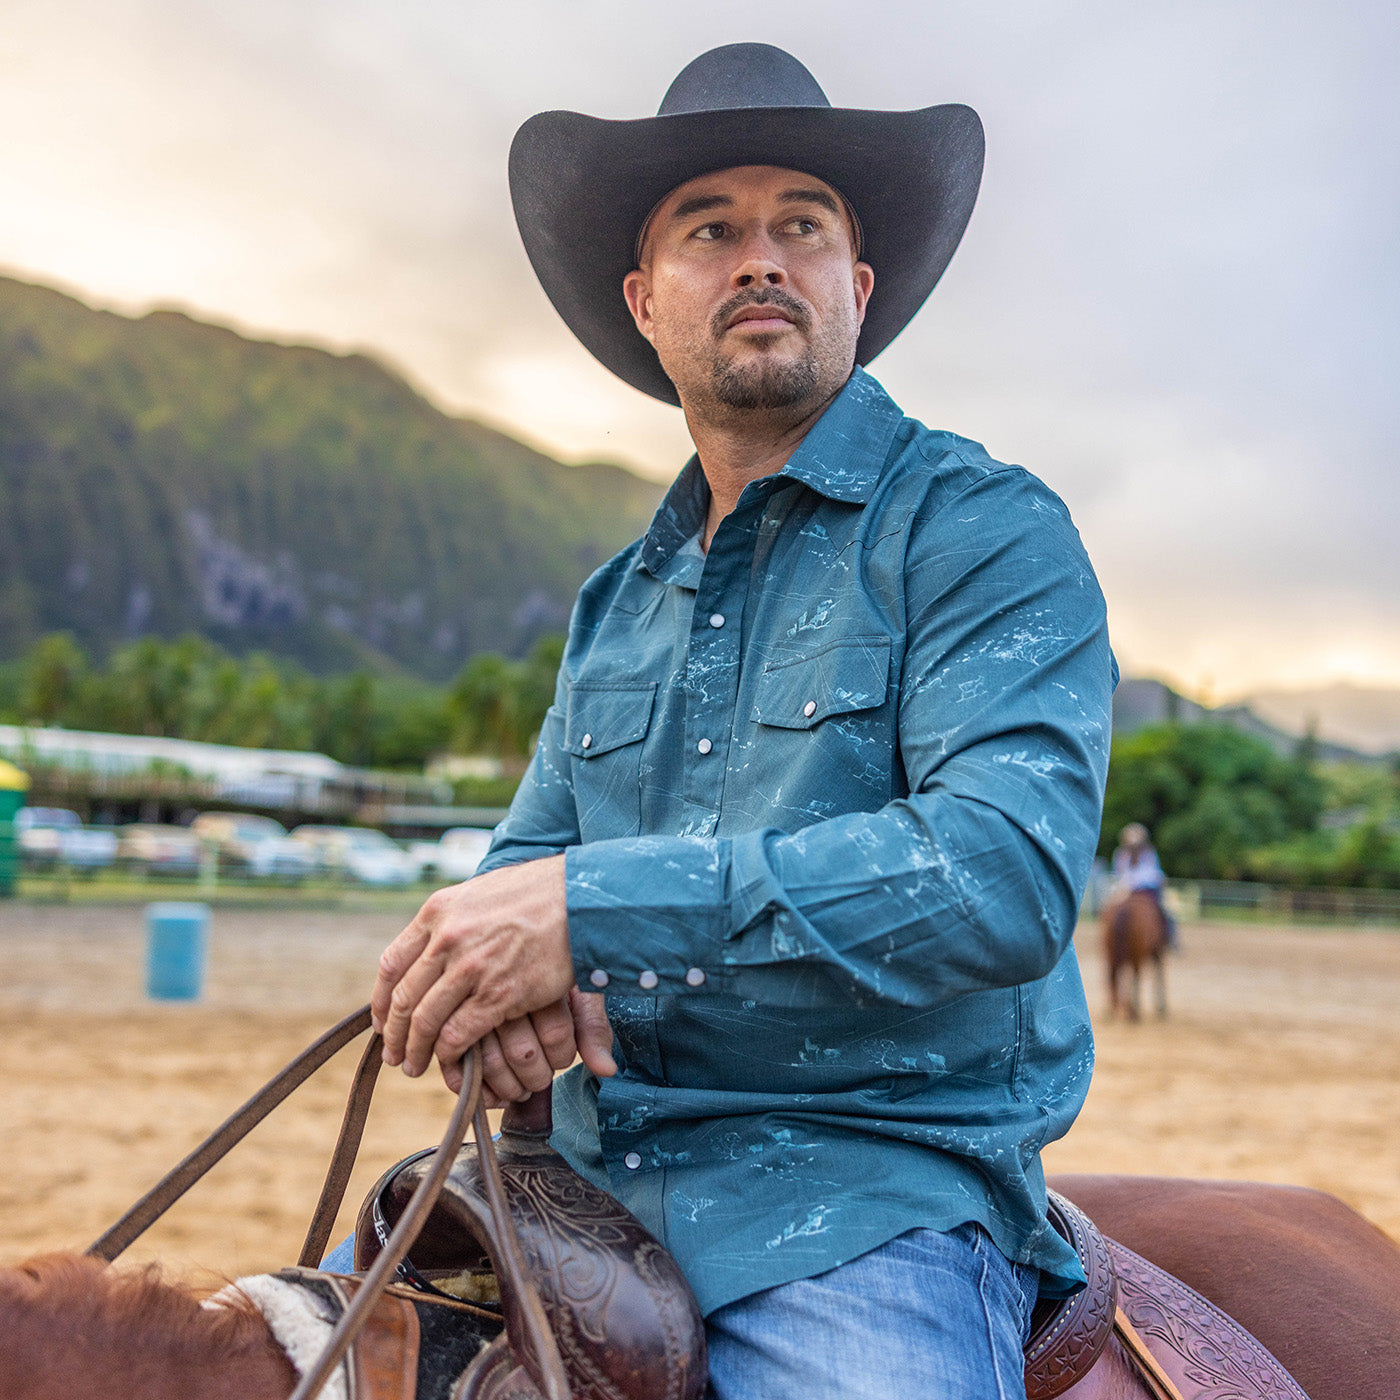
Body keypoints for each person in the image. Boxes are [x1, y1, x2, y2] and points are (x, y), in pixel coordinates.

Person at [364, 43, 1117, 1399]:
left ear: (856, 288)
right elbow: (521, 868)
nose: (760, 257)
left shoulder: (980, 531)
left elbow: (1003, 875)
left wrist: (589, 918)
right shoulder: (617, 602)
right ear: (650, 304)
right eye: (713, 229)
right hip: (576, 1192)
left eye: (802, 227)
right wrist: (499, 979)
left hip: (861, 1202)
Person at [1112, 821, 1178, 948]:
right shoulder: (1122, 854)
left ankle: (1170, 939)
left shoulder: (1147, 853)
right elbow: (1120, 873)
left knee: (1165, 911)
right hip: (1128, 890)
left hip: (1146, 889)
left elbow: (1151, 873)